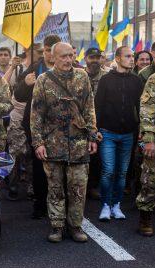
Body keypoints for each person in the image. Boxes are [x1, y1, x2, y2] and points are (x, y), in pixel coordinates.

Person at [31, 42, 97, 243]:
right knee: (56, 188)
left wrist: (92, 136)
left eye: (70, 55)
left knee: (78, 188)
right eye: (63, 56)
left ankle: (75, 226)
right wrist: (38, 143)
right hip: (53, 144)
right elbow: (36, 115)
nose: (68, 60)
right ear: (53, 57)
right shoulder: (43, 81)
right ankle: (57, 227)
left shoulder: (82, 76)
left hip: (78, 144)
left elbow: (89, 108)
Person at [95, 46, 143, 221]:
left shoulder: (137, 81)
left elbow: (141, 107)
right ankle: (105, 206)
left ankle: (117, 205)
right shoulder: (106, 80)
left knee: (122, 173)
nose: (132, 59)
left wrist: (140, 131)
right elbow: (97, 106)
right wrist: (95, 130)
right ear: (117, 58)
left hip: (128, 134)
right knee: (108, 171)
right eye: (128, 56)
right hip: (107, 132)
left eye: (132, 56)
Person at [14, 34, 60, 214]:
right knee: (40, 164)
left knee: (60, 165)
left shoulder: (69, 67)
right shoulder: (34, 68)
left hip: (60, 126)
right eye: (47, 50)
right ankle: (40, 203)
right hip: (36, 124)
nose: (50, 54)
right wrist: (25, 84)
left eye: (54, 49)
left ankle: (58, 203)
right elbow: (18, 96)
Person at [84, 47, 108, 200]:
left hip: (101, 121)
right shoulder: (79, 75)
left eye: (97, 58)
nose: (94, 61)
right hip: (81, 122)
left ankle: (92, 186)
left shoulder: (106, 77)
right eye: (91, 58)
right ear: (85, 59)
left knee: (97, 157)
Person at [136, 73, 155, 237]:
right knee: (151, 180)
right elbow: (147, 109)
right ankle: (145, 217)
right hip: (154, 139)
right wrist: (149, 139)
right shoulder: (154, 79)